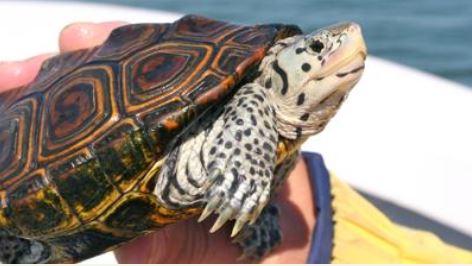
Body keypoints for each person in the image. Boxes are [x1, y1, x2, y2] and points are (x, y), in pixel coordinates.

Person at [1, 22, 471, 264]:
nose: (343, 46)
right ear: (278, 68)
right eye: (315, 49)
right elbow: (247, 105)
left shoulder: (286, 127)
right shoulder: (253, 106)